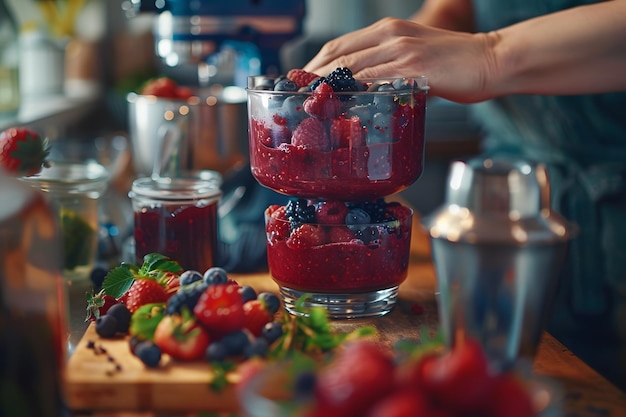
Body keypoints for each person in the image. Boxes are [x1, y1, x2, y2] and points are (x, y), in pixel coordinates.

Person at [305, 0, 626, 389]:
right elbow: (460, 8)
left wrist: (491, 53)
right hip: (502, 196)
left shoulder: (491, 55)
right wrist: (414, 47)